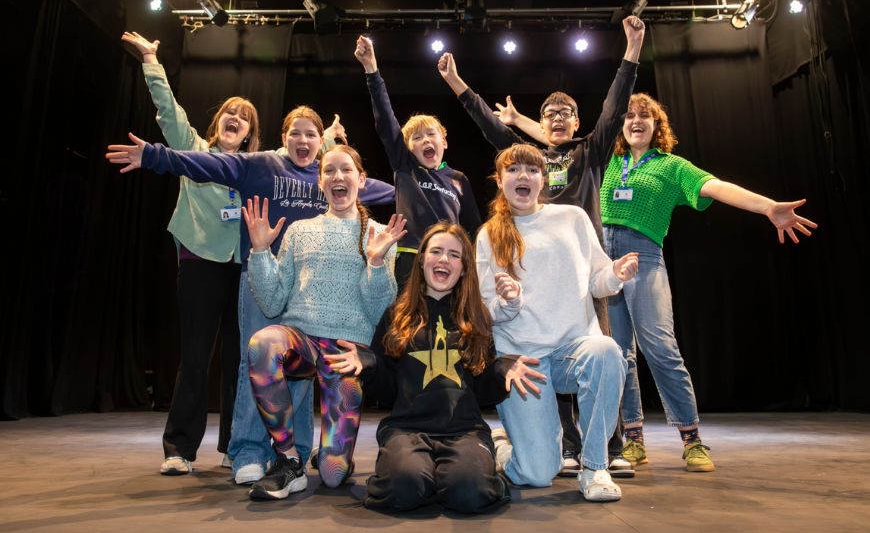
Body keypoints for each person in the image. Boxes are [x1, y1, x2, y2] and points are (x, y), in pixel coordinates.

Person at [106, 107, 394, 485]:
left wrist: (432, 183)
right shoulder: (262, 167)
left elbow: (393, 188)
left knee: (325, 449)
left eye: (312, 135)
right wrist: (155, 156)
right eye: (295, 133)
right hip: (276, 289)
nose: (303, 141)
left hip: (328, 326)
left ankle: (311, 453)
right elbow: (204, 165)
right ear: (283, 138)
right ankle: (254, 452)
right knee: (255, 357)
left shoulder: (347, 200)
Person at [439, 16, 646, 477]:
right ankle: (560, 447)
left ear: (576, 121)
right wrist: (458, 84)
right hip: (531, 279)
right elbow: (492, 130)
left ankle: (604, 451)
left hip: (584, 270)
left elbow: (613, 109)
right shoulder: (524, 163)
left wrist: (631, 50)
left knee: (602, 353)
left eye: (565, 113)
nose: (556, 119)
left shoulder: (589, 152)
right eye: (549, 113)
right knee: (548, 359)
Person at [600, 93, 818, 472]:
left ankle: (692, 439)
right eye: (630, 115)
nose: (636, 121)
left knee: (660, 347)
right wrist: (518, 121)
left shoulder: (671, 166)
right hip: (603, 260)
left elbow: (718, 187)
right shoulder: (607, 160)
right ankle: (632, 438)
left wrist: (767, 206)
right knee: (617, 353)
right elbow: (559, 146)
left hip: (644, 257)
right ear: (621, 124)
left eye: (645, 116)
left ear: (657, 126)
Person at [325, 222, 544, 513]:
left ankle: (470, 468)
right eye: (436, 251)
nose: (444, 260)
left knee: (469, 492)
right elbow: (389, 393)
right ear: (422, 261)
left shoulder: (476, 319)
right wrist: (369, 366)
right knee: (405, 486)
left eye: (454, 255)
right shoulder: (397, 316)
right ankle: (428, 478)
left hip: (464, 431)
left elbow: (481, 393)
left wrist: (501, 369)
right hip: (406, 430)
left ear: (464, 268)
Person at [121, 31, 262, 476]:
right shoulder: (193, 150)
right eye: (229, 113)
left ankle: (235, 446)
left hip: (245, 270)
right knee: (197, 356)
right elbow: (169, 111)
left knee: (241, 360)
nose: (235, 117)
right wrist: (151, 61)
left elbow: (304, 160)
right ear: (218, 121)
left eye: (244, 116)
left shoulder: (256, 168)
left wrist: (332, 141)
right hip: (200, 263)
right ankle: (180, 449)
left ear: (250, 134)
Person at [475, 144, 639, 502]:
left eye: (532, 170)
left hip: (571, 349)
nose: (524, 176)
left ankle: (595, 467)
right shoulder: (489, 234)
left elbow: (597, 278)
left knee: (607, 351)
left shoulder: (572, 218)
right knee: (537, 475)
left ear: (542, 179)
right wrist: (510, 301)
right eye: (514, 169)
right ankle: (505, 446)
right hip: (523, 362)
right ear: (500, 180)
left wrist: (615, 274)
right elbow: (484, 310)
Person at [241, 145, 402, 499]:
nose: (337, 177)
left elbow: (380, 312)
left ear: (361, 179)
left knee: (332, 475)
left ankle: (332, 456)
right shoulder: (299, 230)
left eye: (346, 170)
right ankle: (288, 461)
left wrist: (375, 263)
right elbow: (271, 301)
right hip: (302, 340)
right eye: (329, 171)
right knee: (262, 343)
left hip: (347, 351)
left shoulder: (377, 234)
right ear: (320, 181)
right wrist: (259, 251)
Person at [355, 35, 482, 287]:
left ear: (444, 142)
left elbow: (474, 229)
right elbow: (385, 120)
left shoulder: (458, 180)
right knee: (409, 324)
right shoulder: (405, 167)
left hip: (449, 261)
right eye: (417, 137)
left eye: (431, 134)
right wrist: (372, 71)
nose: (425, 141)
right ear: (407, 147)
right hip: (411, 257)